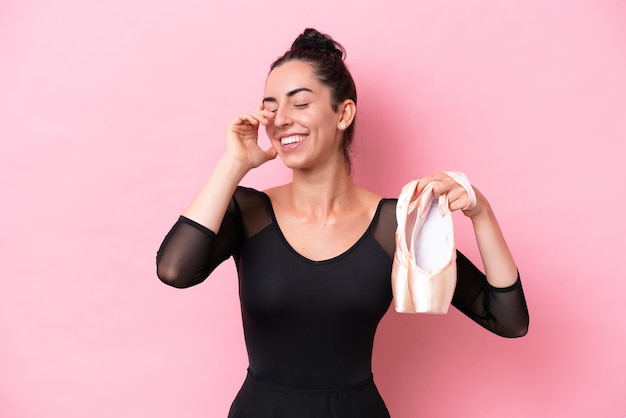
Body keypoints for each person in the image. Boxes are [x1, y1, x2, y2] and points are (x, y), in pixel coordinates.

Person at [156, 28, 529, 418]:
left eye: (299, 104)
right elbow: (175, 270)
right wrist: (234, 164)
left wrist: (480, 212)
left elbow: (508, 319)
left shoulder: (397, 223)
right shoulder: (247, 212)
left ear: (344, 113)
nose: (280, 120)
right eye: (270, 107)